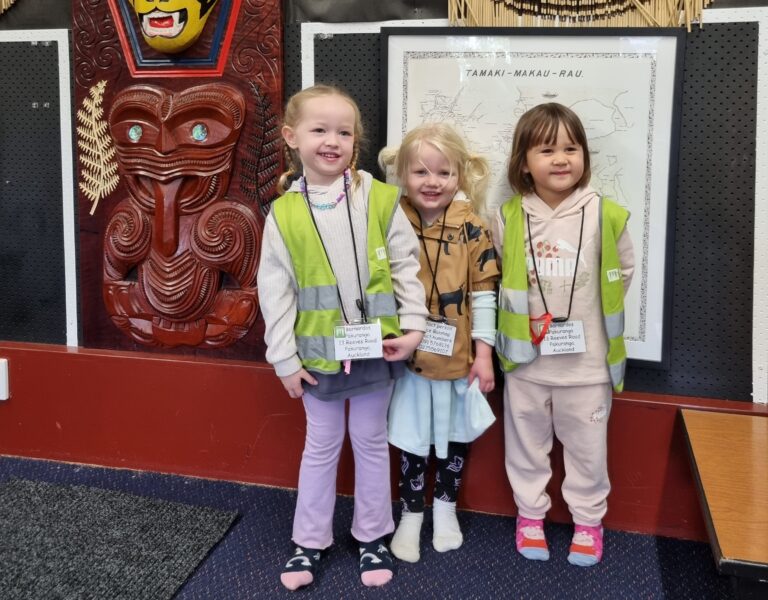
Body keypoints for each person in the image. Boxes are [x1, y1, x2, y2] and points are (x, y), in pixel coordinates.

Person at [257, 84, 428, 590]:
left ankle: (373, 534)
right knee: (322, 445)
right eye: (319, 130)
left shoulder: (378, 197)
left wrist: (414, 326)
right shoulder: (283, 214)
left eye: (344, 132)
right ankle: (309, 541)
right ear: (292, 137)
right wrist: (284, 359)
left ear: (356, 141)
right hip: (317, 357)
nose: (333, 141)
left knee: (372, 442)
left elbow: (405, 266)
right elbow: (276, 292)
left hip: (377, 348)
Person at [493, 103, 634, 567]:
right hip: (526, 365)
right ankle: (530, 515)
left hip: (588, 365)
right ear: (523, 162)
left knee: (588, 452)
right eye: (547, 149)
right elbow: (495, 277)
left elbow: (624, 271)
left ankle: (588, 522)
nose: (560, 159)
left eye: (571, 148)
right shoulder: (508, 216)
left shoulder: (605, 215)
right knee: (526, 447)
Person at [379, 123, 500, 563]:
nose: (433, 183)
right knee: (412, 437)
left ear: (460, 177)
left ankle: (445, 508)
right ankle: (411, 513)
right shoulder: (391, 220)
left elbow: (486, 294)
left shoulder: (472, 229)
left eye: (444, 173)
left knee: (453, 435)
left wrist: (484, 353)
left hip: (457, 355)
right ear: (403, 176)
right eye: (421, 173)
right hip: (408, 359)